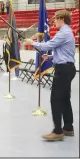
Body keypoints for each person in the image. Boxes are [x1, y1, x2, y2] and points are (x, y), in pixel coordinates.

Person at [24, 10, 76, 141]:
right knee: (64, 98)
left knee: (56, 99)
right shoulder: (67, 32)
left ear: (62, 19)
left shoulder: (63, 33)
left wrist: (32, 43)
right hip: (67, 68)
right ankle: (68, 127)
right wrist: (51, 57)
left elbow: (48, 45)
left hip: (63, 70)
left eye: (56, 19)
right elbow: (64, 53)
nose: (54, 22)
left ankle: (58, 131)